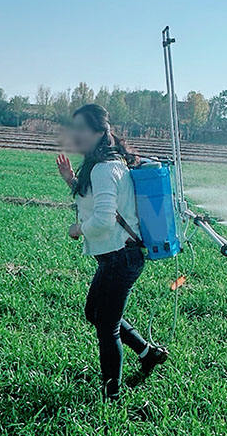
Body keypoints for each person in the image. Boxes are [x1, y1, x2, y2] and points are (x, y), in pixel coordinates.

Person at [56, 103, 168, 400]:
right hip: (117, 257)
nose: (76, 134)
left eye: (81, 129)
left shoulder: (104, 169)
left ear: (97, 132)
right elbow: (99, 201)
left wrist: (78, 229)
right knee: (94, 312)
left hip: (121, 258)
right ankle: (147, 353)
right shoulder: (109, 163)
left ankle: (112, 396)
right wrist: (71, 181)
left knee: (107, 328)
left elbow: (104, 220)